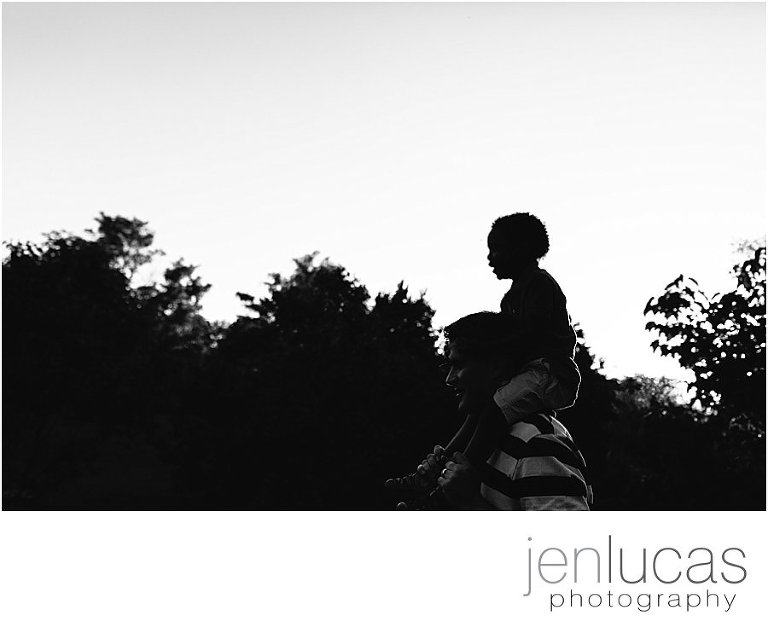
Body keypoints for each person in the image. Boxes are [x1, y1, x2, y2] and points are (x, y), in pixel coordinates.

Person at [435, 311, 591, 510]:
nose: (449, 379)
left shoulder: (537, 443)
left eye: (459, 364)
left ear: (496, 366)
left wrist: (470, 502)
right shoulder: (492, 440)